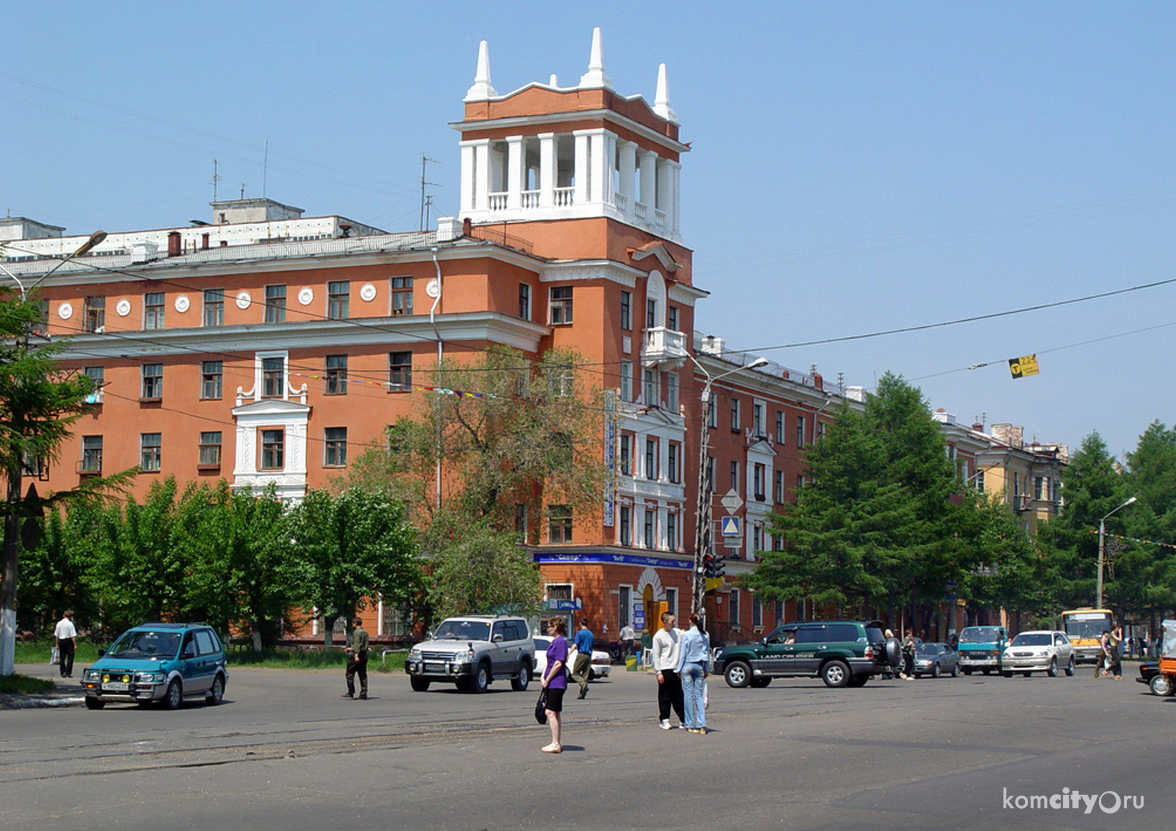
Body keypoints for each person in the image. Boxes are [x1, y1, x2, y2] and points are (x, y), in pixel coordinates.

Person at [675, 613, 711, 734]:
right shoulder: (705, 635)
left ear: (690, 621)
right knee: (699, 696)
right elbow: (707, 653)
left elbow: (683, 653)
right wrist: (707, 668)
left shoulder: (686, 635)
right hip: (699, 665)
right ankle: (702, 725)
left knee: (688, 696)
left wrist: (678, 668)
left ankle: (689, 724)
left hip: (687, 665)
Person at [651, 611, 685, 729]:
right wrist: (658, 672)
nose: (674, 623)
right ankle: (664, 719)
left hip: (676, 668)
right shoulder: (658, 636)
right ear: (664, 622)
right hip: (665, 669)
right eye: (672, 621)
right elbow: (656, 655)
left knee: (678, 696)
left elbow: (687, 635)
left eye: (674, 621)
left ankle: (683, 719)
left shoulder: (677, 633)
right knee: (665, 696)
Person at [540, 618, 569, 753]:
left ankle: (555, 743)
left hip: (557, 682)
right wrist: (542, 676)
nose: (547, 629)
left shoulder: (561, 642)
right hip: (551, 682)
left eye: (549, 627)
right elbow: (549, 661)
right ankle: (556, 741)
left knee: (550, 712)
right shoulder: (554, 642)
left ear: (556, 627)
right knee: (554, 712)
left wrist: (548, 679)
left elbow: (558, 663)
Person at [343, 616, 369, 699]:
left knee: (350, 673)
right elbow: (363, 645)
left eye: (353, 623)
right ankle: (364, 692)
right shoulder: (365, 632)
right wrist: (351, 649)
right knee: (362, 674)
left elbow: (357, 645)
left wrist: (356, 655)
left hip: (357, 655)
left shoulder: (356, 632)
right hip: (364, 654)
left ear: (355, 623)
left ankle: (351, 692)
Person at [571, 618, 595, 699]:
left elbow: (576, 644)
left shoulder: (580, 633)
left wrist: (569, 653)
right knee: (585, 675)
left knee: (575, 673)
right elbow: (592, 645)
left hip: (581, 654)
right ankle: (582, 694)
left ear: (580, 623)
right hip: (589, 655)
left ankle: (584, 685)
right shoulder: (591, 634)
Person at [54, 610, 77, 678]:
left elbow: (56, 635)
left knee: (62, 657)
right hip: (68, 641)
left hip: (61, 640)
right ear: (70, 617)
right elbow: (72, 635)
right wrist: (75, 644)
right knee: (70, 656)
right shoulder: (70, 624)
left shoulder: (59, 623)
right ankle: (68, 672)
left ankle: (62, 671)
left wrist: (57, 643)